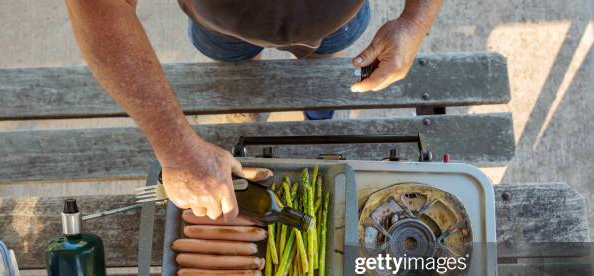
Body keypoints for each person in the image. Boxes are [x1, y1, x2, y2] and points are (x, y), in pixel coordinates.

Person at [65, 0, 442, 220]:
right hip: (220, 27)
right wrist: (176, 150)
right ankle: (251, 111)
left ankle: (317, 110)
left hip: (335, 26)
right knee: (240, 72)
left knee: (323, 72)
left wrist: (414, 22)